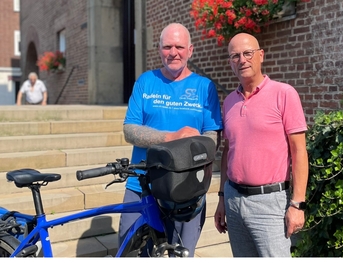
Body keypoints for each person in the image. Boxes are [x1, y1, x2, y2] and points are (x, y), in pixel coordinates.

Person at [119, 23, 223, 257]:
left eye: (179, 46)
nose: (173, 52)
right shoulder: (146, 81)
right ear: (159, 50)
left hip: (187, 188)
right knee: (132, 253)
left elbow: (212, 137)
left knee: (181, 255)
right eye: (167, 46)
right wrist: (172, 138)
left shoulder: (204, 87)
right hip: (142, 185)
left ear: (190, 50)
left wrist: (188, 152)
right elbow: (130, 130)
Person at [214, 33, 309, 257]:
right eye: (235, 56)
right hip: (233, 198)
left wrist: (297, 205)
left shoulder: (284, 94)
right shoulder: (229, 102)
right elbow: (229, 150)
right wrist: (221, 198)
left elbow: (299, 152)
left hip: (270, 202)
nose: (242, 60)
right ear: (230, 62)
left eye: (248, 53)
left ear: (261, 55)